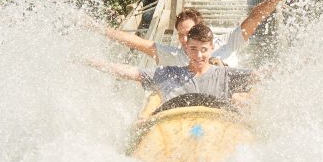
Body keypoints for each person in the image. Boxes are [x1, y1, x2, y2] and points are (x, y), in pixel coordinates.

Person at [101, 0, 300, 66]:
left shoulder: (225, 45)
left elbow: (254, 17)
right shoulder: (175, 56)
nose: (185, 40)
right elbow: (136, 42)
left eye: (190, 33)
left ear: (204, 32)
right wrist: (99, 28)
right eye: (180, 35)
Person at [88, 23, 254, 107]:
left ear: (211, 49)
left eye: (203, 50)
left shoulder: (225, 75)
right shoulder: (171, 74)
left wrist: (279, 71)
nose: (198, 55)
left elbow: (259, 75)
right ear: (186, 49)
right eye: (194, 49)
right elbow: (133, 73)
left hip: (214, 133)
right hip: (180, 131)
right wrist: (92, 62)